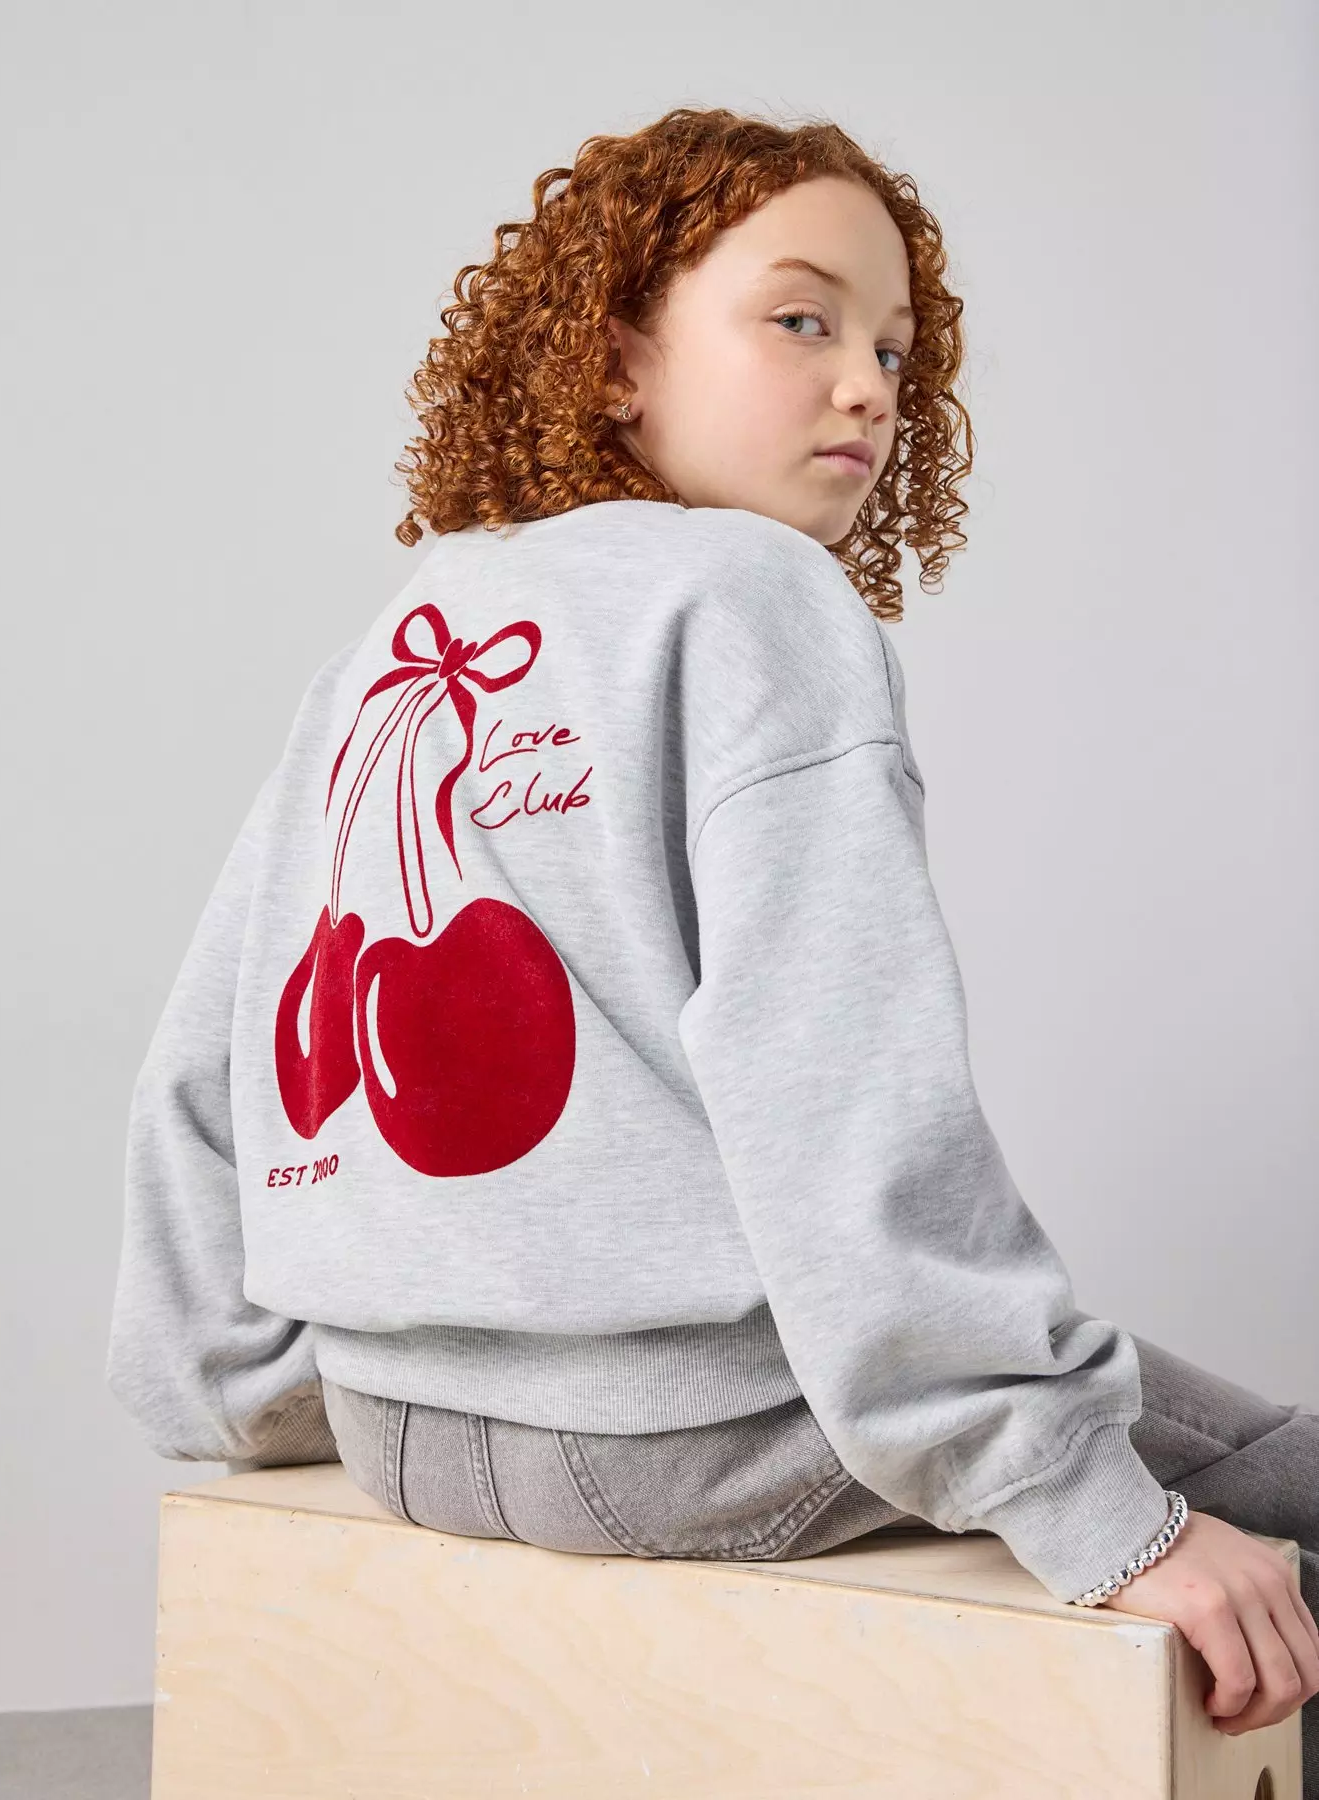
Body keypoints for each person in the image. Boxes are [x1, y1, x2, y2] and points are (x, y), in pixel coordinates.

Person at [106, 105, 1319, 1774]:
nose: (868, 388)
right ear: (612, 358)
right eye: (802, 319)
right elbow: (837, 1089)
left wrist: (229, 1392)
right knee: (1270, 1480)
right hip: (683, 1443)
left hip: (396, 1428)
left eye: (892, 350)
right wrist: (1087, 1505)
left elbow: (220, 1049)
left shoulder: (410, 630)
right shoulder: (752, 597)